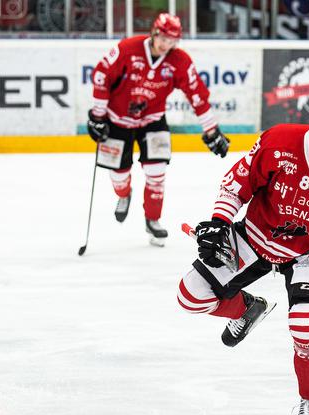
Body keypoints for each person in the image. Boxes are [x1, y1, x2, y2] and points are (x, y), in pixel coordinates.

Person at [176, 93, 309, 415]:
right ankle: (248, 309)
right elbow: (236, 184)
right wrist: (218, 222)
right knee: (190, 296)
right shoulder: (279, 140)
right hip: (256, 234)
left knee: (308, 326)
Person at [87, 12, 230, 246]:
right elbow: (101, 76)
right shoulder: (127, 49)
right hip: (117, 120)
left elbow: (197, 95)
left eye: (173, 41)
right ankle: (124, 194)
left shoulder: (180, 61)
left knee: (156, 173)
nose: (167, 45)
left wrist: (211, 130)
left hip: (153, 120)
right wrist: (98, 115)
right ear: (154, 33)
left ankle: (152, 220)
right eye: (164, 38)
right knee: (118, 174)